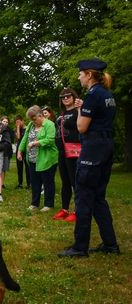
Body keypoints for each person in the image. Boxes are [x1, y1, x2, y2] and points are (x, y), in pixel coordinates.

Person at [58, 59, 120, 257]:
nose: (79, 76)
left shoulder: (93, 95)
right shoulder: (107, 95)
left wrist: (80, 111)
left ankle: (79, 247)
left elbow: (81, 127)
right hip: (106, 146)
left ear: (89, 75)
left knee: (84, 195)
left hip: (92, 148)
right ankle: (110, 244)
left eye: (80, 73)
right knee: (98, 197)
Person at [18, 106, 58, 211]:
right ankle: (34, 203)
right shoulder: (31, 125)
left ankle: (48, 204)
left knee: (48, 182)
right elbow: (25, 138)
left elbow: (50, 140)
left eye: (34, 119)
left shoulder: (50, 125)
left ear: (40, 115)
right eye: (31, 120)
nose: (33, 121)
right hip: (32, 158)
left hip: (47, 159)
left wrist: (36, 143)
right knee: (35, 182)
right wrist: (20, 150)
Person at [53, 88, 81, 222]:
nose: (65, 99)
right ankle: (64, 209)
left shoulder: (77, 112)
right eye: (63, 97)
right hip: (62, 151)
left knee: (75, 182)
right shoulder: (62, 114)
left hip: (74, 151)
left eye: (68, 96)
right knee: (65, 181)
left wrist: (80, 108)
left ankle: (77, 211)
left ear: (74, 97)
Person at [14, 115, 30, 189]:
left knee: (27, 167)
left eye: (18, 121)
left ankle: (29, 184)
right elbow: (18, 137)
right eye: (16, 122)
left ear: (22, 121)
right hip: (19, 150)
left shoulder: (27, 128)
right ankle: (20, 183)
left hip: (26, 149)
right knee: (19, 167)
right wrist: (17, 127)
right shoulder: (17, 129)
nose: (17, 123)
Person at [0, 116, 15, 189]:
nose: (5, 123)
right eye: (4, 121)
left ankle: (2, 184)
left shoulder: (10, 131)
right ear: (1, 121)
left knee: (4, 169)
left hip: (7, 152)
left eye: (6, 122)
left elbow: (12, 141)